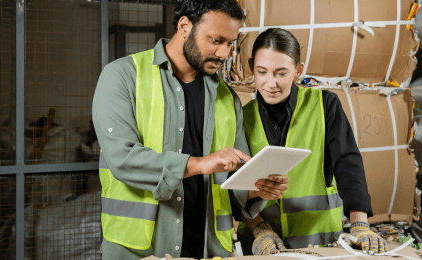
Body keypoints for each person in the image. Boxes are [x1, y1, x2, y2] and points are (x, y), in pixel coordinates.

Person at [92, 1, 289, 259]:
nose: (224, 53)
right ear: (185, 26)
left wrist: (257, 189)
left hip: (209, 250)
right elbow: (123, 159)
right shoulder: (123, 77)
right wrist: (200, 164)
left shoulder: (227, 98)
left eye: (230, 43)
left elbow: (233, 181)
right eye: (216, 40)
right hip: (139, 251)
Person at [236, 28, 388, 255]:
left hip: (320, 242)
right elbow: (236, 186)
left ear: (299, 70)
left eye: (281, 73)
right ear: (252, 69)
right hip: (265, 245)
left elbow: (348, 163)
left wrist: (359, 223)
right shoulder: (242, 118)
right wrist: (260, 229)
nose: (270, 83)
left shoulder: (325, 105)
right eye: (262, 72)